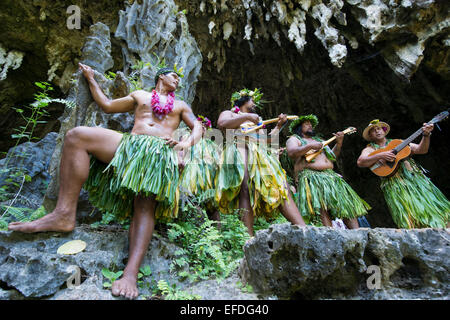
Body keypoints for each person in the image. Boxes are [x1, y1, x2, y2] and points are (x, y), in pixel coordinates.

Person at [8, 63, 203, 299]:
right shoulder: (139, 95)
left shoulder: (181, 105)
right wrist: (91, 79)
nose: (178, 80)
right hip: (130, 145)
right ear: (161, 76)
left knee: (144, 203)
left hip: (159, 152)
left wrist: (185, 144)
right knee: (77, 136)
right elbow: (108, 106)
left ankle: (130, 274)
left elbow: (198, 126)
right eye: (174, 76)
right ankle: (63, 214)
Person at [215, 88, 306, 236]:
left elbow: (266, 140)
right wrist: (248, 117)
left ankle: (304, 229)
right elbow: (222, 123)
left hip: (260, 153)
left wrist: (278, 126)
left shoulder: (258, 120)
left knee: (283, 188)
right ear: (243, 100)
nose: (255, 104)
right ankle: (248, 239)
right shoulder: (230, 113)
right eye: (252, 101)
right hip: (240, 148)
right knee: (245, 189)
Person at [357, 119, 449, 228]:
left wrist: (426, 135)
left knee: (435, 206)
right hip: (396, 185)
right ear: (370, 136)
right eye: (373, 130)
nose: (377, 131)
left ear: (384, 131)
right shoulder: (370, 149)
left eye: (379, 128)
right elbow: (361, 162)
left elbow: (421, 149)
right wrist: (380, 155)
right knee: (412, 212)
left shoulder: (398, 143)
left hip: (416, 180)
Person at [286, 114, 370, 228]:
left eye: (311, 124)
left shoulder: (320, 140)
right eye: (306, 124)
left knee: (345, 204)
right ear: (299, 127)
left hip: (330, 175)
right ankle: (330, 233)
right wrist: (309, 146)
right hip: (312, 176)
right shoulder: (294, 139)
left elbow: (332, 157)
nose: (310, 126)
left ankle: (357, 233)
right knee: (322, 207)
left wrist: (339, 143)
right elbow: (291, 152)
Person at [179, 115, 221, 223]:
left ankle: (216, 234)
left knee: (212, 206)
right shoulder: (187, 138)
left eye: (205, 127)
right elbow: (181, 150)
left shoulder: (211, 144)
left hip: (209, 180)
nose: (203, 128)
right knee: (192, 200)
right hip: (191, 176)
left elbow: (218, 160)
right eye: (201, 126)